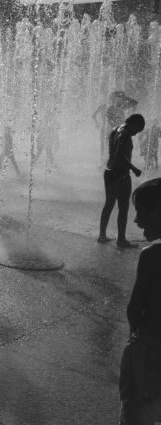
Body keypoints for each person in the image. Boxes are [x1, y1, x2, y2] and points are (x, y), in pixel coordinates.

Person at [119, 177, 161, 424]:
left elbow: (135, 309)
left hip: (147, 349)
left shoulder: (152, 256)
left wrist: (134, 335)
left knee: (133, 410)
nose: (136, 220)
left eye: (142, 212)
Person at [98, 114, 145, 249]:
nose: (136, 134)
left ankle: (102, 235)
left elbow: (115, 154)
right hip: (121, 175)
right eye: (137, 130)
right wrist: (134, 169)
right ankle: (121, 240)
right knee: (123, 208)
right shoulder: (125, 135)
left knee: (109, 204)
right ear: (133, 124)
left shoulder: (115, 130)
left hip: (109, 172)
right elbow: (120, 155)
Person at [93, 91, 138, 165]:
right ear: (113, 98)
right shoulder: (106, 107)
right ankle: (104, 162)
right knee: (105, 145)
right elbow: (95, 115)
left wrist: (125, 98)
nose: (119, 99)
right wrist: (97, 123)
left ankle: (115, 162)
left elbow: (135, 103)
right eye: (118, 97)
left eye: (121, 98)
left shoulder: (122, 106)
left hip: (116, 130)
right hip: (108, 129)